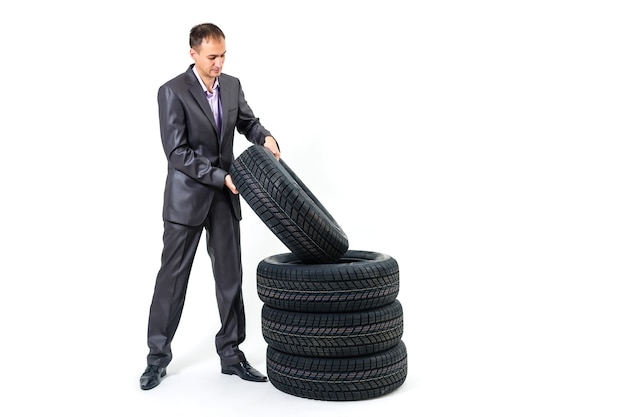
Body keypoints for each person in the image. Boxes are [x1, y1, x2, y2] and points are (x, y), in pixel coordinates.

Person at [140, 22, 281, 390]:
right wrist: (221, 177)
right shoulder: (171, 92)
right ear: (193, 54)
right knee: (171, 283)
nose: (219, 63)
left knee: (230, 279)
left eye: (223, 56)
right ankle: (156, 360)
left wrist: (264, 137)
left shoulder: (232, 86)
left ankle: (232, 355)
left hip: (224, 199)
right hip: (187, 201)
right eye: (212, 57)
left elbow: (247, 122)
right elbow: (178, 153)